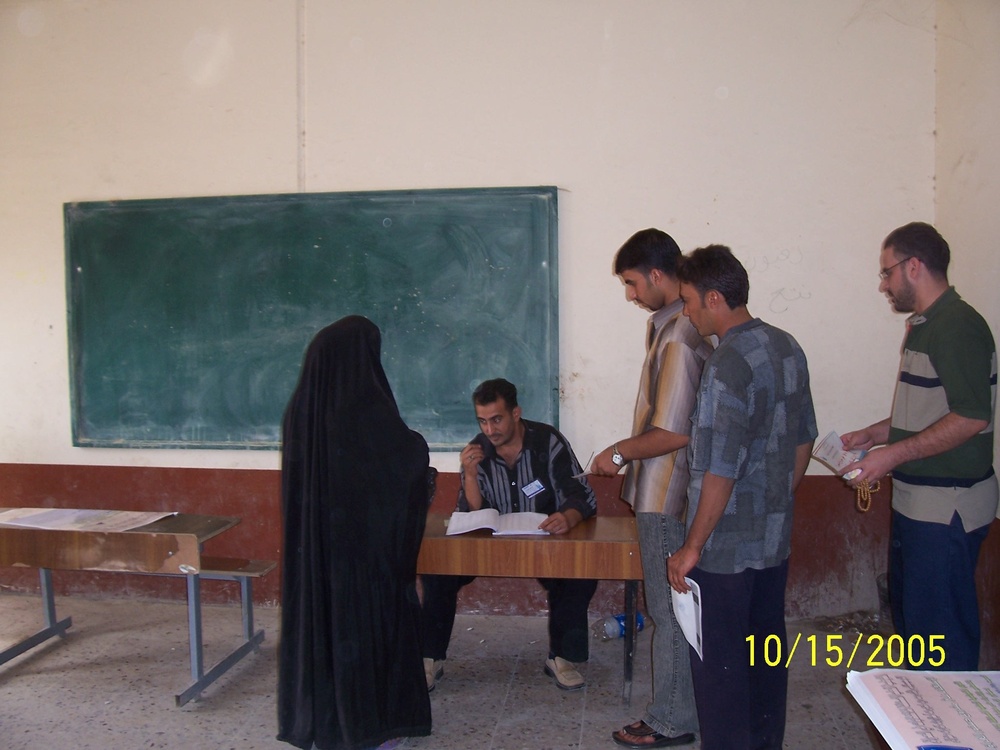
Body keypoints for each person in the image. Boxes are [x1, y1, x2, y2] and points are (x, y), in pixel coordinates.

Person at [667, 245, 817, 750]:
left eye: (688, 301)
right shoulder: (787, 345)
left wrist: (692, 547)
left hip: (725, 551)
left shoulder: (726, 362)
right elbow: (804, 437)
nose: (686, 311)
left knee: (722, 674)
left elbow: (719, 468)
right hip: (773, 541)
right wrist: (778, 499)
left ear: (714, 298)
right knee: (766, 658)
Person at [841, 222, 997, 671]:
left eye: (887, 272)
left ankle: (950, 739)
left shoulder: (958, 326)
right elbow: (929, 415)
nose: (884, 284)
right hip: (919, 505)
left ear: (914, 266)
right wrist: (876, 435)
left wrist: (891, 455)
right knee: (917, 636)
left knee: (940, 643)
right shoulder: (926, 325)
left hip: (947, 509)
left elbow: (971, 417)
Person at [277, 316, 432, 750]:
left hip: (319, 557)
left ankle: (327, 721)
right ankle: (371, 727)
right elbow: (403, 460)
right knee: (367, 634)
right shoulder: (364, 409)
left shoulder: (301, 409)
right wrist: (418, 448)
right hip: (365, 564)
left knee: (327, 632)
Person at [590, 229, 710, 749]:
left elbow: (675, 430)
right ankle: (683, 708)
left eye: (634, 283)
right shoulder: (668, 326)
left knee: (667, 610)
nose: (631, 295)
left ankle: (672, 719)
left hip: (667, 493)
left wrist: (617, 453)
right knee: (669, 607)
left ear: (659, 275)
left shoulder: (682, 333)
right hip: (660, 490)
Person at [419, 378, 598, 692]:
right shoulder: (478, 450)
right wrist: (471, 475)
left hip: (548, 541)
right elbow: (473, 511)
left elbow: (579, 492)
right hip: (493, 543)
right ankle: (431, 657)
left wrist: (568, 517)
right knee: (438, 570)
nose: (490, 430)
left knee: (580, 572)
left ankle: (561, 658)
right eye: (483, 421)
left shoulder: (548, 441)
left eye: (497, 419)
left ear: (516, 413)